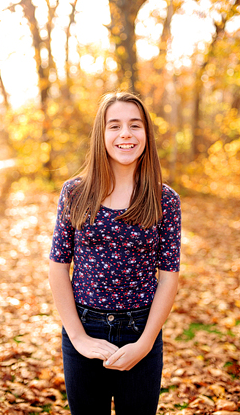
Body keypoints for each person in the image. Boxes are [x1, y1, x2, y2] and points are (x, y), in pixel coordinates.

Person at [49, 92, 181, 414]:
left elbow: (169, 278)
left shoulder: (165, 200)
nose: (125, 134)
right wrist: (78, 338)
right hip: (85, 327)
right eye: (115, 126)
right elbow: (57, 267)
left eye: (135, 125)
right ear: (101, 135)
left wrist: (146, 343)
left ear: (146, 135)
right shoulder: (76, 193)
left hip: (141, 330)